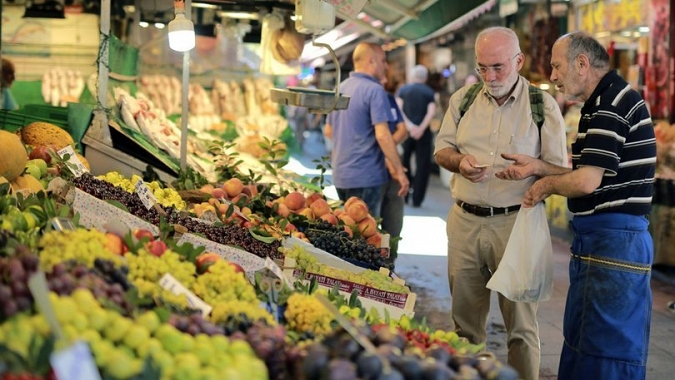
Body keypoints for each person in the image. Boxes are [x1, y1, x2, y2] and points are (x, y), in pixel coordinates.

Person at [495, 31, 656, 380]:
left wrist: (543, 187)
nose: (552, 76)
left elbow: (585, 183)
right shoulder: (606, 100)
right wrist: (538, 167)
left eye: (556, 66)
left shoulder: (608, 106)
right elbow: (590, 174)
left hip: (614, 244)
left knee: (604, 351)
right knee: (588, 342)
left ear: (581, 64)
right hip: (607, 244)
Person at [433, 27, 567, 380]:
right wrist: (459, 162)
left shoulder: (543, 106)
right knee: (464, 328)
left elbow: (561, 170)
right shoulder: (462, 100)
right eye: (482, 68)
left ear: (518, 61)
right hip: (465, 222)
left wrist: (534, 169)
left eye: (498, 67)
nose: (490, 77)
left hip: (516, 225)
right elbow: (442, 149)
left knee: (521, 328)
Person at [324, 42, 409, 217]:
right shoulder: (375, 90)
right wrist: (400, 172)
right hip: (367, 177)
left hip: (341, 176)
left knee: (348, 234)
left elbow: (329, 131)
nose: (386, 66)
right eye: (383, 60)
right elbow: (383, 135)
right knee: (366, 237)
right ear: (372, 61)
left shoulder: (340, 88)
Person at [396, 65, 437, 207]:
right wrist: (420, 128)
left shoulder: (404, 90)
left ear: (413, 76)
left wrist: (410, 126)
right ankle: (417, 199)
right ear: (425, 77)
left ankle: (405, 195)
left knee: (404, 163)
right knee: (422, 166)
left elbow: (398, 109)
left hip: (406, 133)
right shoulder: (429, 92)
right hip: (423, 134)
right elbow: (431, 112)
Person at [381, 77, 408, 264]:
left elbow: (403, 129)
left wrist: (386, 146)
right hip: (371, 171)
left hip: (389, 169)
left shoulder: (388, 99)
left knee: (392, 225)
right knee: (369, 228)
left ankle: (387, 267)